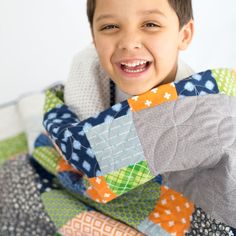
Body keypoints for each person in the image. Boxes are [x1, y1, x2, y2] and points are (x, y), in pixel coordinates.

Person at [1, 0, 236, 235]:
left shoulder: (204, 104)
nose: (128, 42)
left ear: (183, 35)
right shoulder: (89, 75)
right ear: (94, 39)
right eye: (110, 27)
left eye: (150, 24)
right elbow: (80, 146)